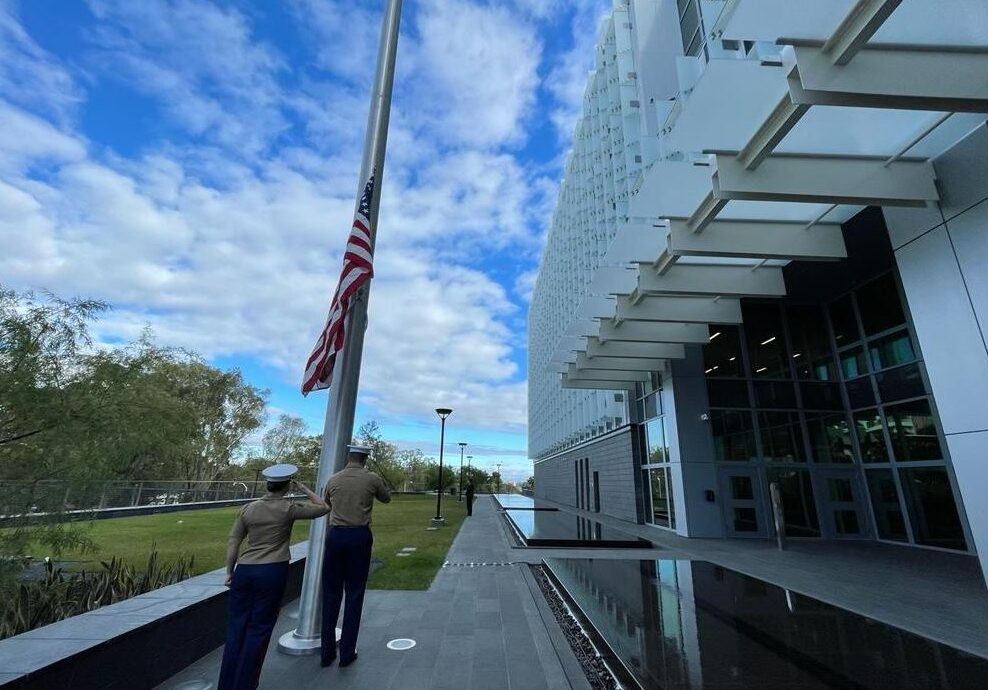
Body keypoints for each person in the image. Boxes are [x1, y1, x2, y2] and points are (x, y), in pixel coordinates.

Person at [218, 464, 328, 690]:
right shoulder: (288, 509)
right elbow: (324, 507)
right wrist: (304, 488)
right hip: (272, 570)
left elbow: (233, 541)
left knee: (237, 627)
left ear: (267, 484)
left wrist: (230, 571)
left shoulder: (248, 509)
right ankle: (245, 684)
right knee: (259, 629)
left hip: (245, 570)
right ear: (287, 486)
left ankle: (227, 683)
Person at [321, 445, 391, 668]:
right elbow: (386, 498)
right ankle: (347, 652)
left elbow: (326, 504)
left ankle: (327, 652)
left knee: (331, 593)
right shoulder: (371, 478)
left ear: (349, 457)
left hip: (335, 537)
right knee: (354, 593)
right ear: (365, 459)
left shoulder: (333, 479)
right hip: (359, 537)